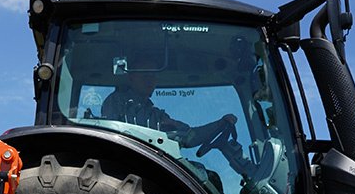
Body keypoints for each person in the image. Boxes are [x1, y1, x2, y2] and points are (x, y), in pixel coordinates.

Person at [101, 71, 254, 176]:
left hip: (154, 162)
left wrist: (219, 124)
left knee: (207, 175)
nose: (151, 80)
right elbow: (134, 138)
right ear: (131, 77)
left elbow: (189, 136)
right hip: (140, 165)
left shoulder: (154, 112)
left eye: (153, 76)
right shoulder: (120, 103)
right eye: (145, 75)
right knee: (205, 176)